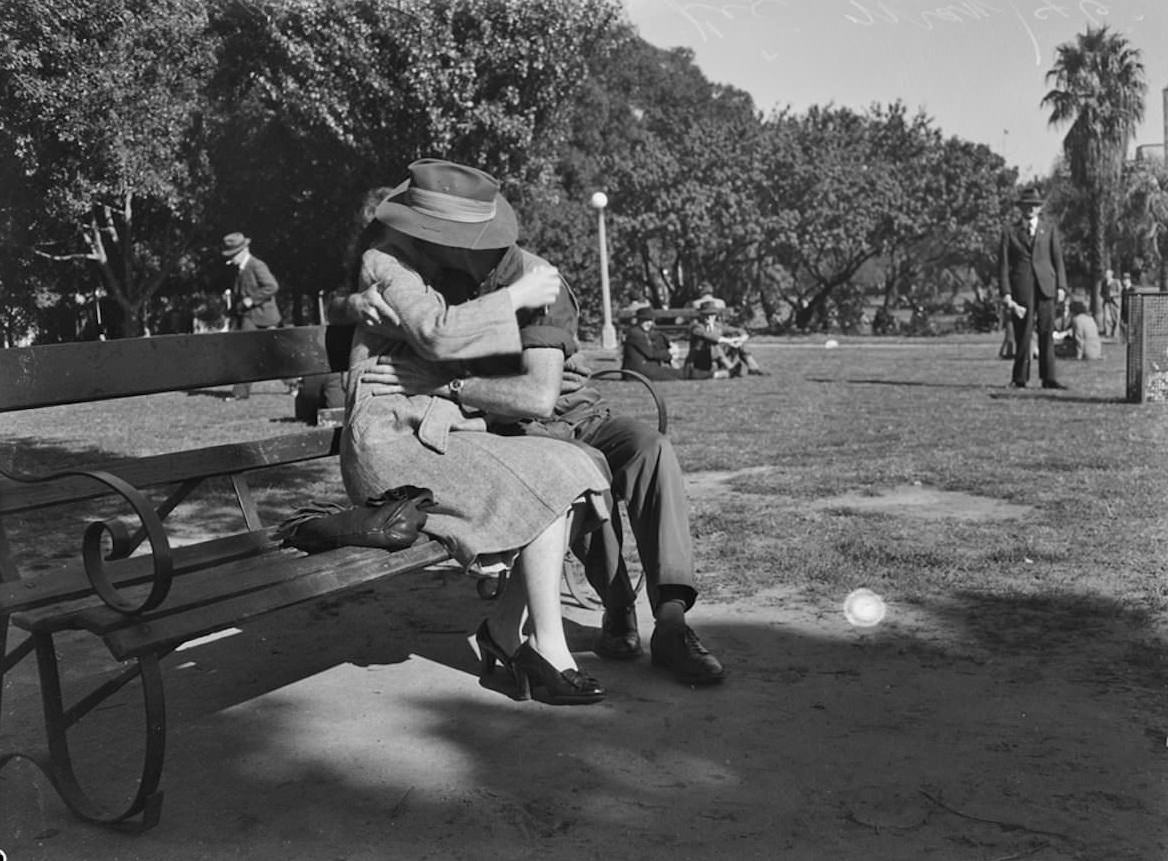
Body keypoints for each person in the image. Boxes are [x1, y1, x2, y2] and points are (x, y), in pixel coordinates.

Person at [349, 160, 725, 686]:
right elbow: (401, 305)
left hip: (562, 414)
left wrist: (444, 386)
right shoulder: (442, 276)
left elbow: (537, 397)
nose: (424, 244)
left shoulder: (536, 281)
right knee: (575, 465)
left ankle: (672, 620)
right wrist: (353, 302)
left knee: (650, 449)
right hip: (508, 429)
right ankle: (618, 607)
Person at [340, 160, 612, 706]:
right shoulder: (388, 262)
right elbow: (438, 336)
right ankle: (547, 649)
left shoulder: (421, 267)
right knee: (556, 474)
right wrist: (518, 296)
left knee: (570, 467)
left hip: (426, 425)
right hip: (390, 439)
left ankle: (509, 634)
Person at [998, 186, 1067, 390]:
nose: (1031, 209)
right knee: (1023, 334)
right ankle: (1020, 378)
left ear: (1039, 208)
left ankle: (1049, 378)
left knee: (1047, 332)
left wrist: (1061, 286)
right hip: (1022, 287)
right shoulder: (1010, 231)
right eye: (1027, 206)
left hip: (1046, 286)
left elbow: (1057, 259)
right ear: (1021, 208)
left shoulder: (1050, 229)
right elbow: (1003, 264)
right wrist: (1006, 292)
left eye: (1034, 206)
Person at [221, 232, 282, 399]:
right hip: (250, 317)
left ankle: (295, 383)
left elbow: (272, 286)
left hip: (262, 316)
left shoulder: (256, 265)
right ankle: (295, 383)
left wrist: (251, 300)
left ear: (244, 251)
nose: (230, 259)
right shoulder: (240, 269)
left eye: (232, 255)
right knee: (256, 352)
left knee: (264, 353)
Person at [686, 300, 767, 378]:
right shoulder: (696, 327)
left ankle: (753, 368)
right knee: (714, 344)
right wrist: (730, 341)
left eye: (712, 315)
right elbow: (710, 337)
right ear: (701, 315)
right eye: (706, 315)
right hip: (698, 363)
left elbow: (739, 331)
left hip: (714, 362)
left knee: (738, 341)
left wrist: (741, 339)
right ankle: (731, 369)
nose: (710, 317)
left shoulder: (718, 326)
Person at [622, 306, 684, 381]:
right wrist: (669, 353)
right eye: (645, 321)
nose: (649, 323)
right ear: (639, 321)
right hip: (636, 371)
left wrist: (669, 359)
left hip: (645, 368)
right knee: (671, 377)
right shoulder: (635, 333)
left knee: (676, 373)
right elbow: (651, 354)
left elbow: (656, 346)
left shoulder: (644, 332)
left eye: (650, 320)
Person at [1101, 268, 1121, 338]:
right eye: (1106, 274)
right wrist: (1104, 296)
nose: (1106, 275)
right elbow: (1101, 292)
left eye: (1107, 274)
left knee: (1115, 318)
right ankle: (1108, 333)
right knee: (1107, 318)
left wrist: (1113, 294)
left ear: (1111, 274)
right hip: (1106, 302)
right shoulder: (1104, 283)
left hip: (1114, 303)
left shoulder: (1116, 282)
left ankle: (1114, 332)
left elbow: (1119, 292)